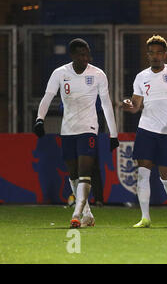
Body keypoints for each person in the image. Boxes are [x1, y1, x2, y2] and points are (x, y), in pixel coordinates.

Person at [33, 38, 119, 228]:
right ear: (72, 55)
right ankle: (87, 212)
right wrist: (40, 119)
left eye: (87, 54)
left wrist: (113, 134)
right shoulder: (60, 73)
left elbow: (106, 104)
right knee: (73, 174)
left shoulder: (98, 74)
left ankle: (77, 213)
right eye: (81, 54)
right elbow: (48, 96)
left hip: (88, 129)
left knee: (84, 172)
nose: (85, 58)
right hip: (68, 130)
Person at [122, 35, 167, 228]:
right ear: (148, 55)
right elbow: (136, 105)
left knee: (166, 177)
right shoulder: (141, 77)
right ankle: (145, 217)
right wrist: (129, 104)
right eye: (152, 53)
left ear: (165, 54)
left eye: (159, 52)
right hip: (146, 129)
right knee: (143, 172)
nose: (155, 56)